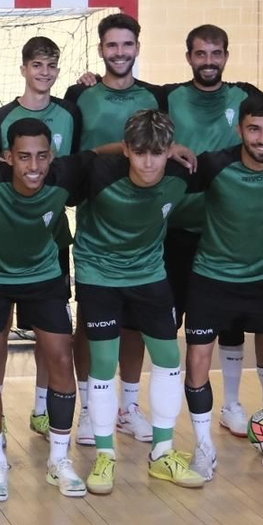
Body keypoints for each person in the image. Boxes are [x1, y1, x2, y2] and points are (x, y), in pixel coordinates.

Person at [66, 110, 205, 493]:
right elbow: (86, 155)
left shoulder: (181, 174)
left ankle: (162, 453)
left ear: (169, 152)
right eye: (140, 152)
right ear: (126, 150)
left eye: (157, 153)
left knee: (169, 359)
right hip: (98, 273)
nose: (148, 162)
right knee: (105, 362)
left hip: (149, 273)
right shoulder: (98, 172)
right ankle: (106, 455)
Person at [180, 94, 263, 483]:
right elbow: (166, 175)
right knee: (197, 362)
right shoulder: (214, 165)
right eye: (254, 129)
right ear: (240, 130)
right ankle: (204, 447)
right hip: (212, 278)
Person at [0, 119, 82, 499]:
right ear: (7, 157)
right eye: (23, 157)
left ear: (52, 155)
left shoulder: (64, 176)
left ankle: (59, 460)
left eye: (42, 156)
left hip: (41, 276)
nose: (34, 166)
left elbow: (116, 154)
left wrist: (170, 150)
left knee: (61, 358)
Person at [64, 13, 169, 448]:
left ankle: (127, 407)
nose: (119, 53)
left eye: (127, 45)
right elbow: (74, 157)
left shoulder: (158, 96)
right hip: (97, 227)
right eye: (112, 46)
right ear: (101, 50)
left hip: (143, 230)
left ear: (137, 48)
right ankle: (91, 409)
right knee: (91, 323)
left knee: (135, 326)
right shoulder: (80, 95)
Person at [157, 25, 263, 439]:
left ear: (226, 55)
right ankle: (160, 415)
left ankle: (233, 404)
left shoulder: (244, 97)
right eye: (200, 53)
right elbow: (143, 134)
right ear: (188, 57)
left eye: (215, 53)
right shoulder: (167, 97)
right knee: (169, 325)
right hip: (175, 229)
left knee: (231, 323)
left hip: (225, 230)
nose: (208, 61)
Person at [0, 36, 85, 437]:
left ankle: (43, 407)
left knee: (50, 335)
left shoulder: (72, 111)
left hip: (52, 240)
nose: (44, 73)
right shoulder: (0, 119)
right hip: (3, 248)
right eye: (37, 65)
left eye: (51, 66)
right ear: (23, 69)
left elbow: (80, 164)